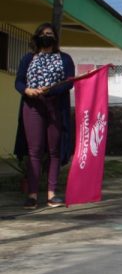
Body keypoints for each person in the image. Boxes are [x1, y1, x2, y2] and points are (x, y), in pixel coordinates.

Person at [14, 23, 74, 209]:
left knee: (54, 150)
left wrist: (51, 90)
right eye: (43, 34)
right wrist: (27, 90)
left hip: (56, 106)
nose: (46, 36)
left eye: (50, 34)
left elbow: (69, 82)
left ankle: (51, 194)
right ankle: (32, 195)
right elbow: (19, 81)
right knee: (35, 151)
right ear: (37, 37)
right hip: (33, 106)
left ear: (55, 38)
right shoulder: (28, 58)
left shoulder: (65, 58)